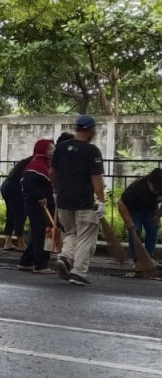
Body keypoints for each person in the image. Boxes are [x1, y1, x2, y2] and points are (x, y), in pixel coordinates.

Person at [50, 114, 105, 286]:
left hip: (64, 199)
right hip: (84, 201)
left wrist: (55, 190)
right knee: (85, 236)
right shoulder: (91, 151)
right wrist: (101, 202)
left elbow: (52, 172)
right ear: (89, 130)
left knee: (71, 232)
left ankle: (65, 257)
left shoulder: (61, 148)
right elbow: (97, 178)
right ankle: (78, 273)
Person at [17, 139, 55, 274]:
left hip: (44, 205)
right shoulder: (35, 165)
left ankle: (26, 261)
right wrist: (40, 196)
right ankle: (41, 265)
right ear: (42, 150)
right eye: (49, 149)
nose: (52, 151)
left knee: (39, 234)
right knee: (42, 235)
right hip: (36, 205)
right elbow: (27, 183)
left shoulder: (45, 165)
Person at [117, 168, 161, 267]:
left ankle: (148, 258)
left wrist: (158, 216)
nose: (157, 190)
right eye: (156, 187)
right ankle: (137, 260)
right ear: (150, 182)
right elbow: (121, 203)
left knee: (153, 229)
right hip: (134, 209)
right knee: (135, 230)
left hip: (151, 209)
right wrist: (128, 221)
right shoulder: (137, 187)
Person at [0, 154, 33, 251]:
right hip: (15, 188)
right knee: (20, 214)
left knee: (10, 214)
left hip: (7, 185)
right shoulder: (35, 162)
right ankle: (21, 244)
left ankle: (8, 242)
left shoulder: (27, 160)